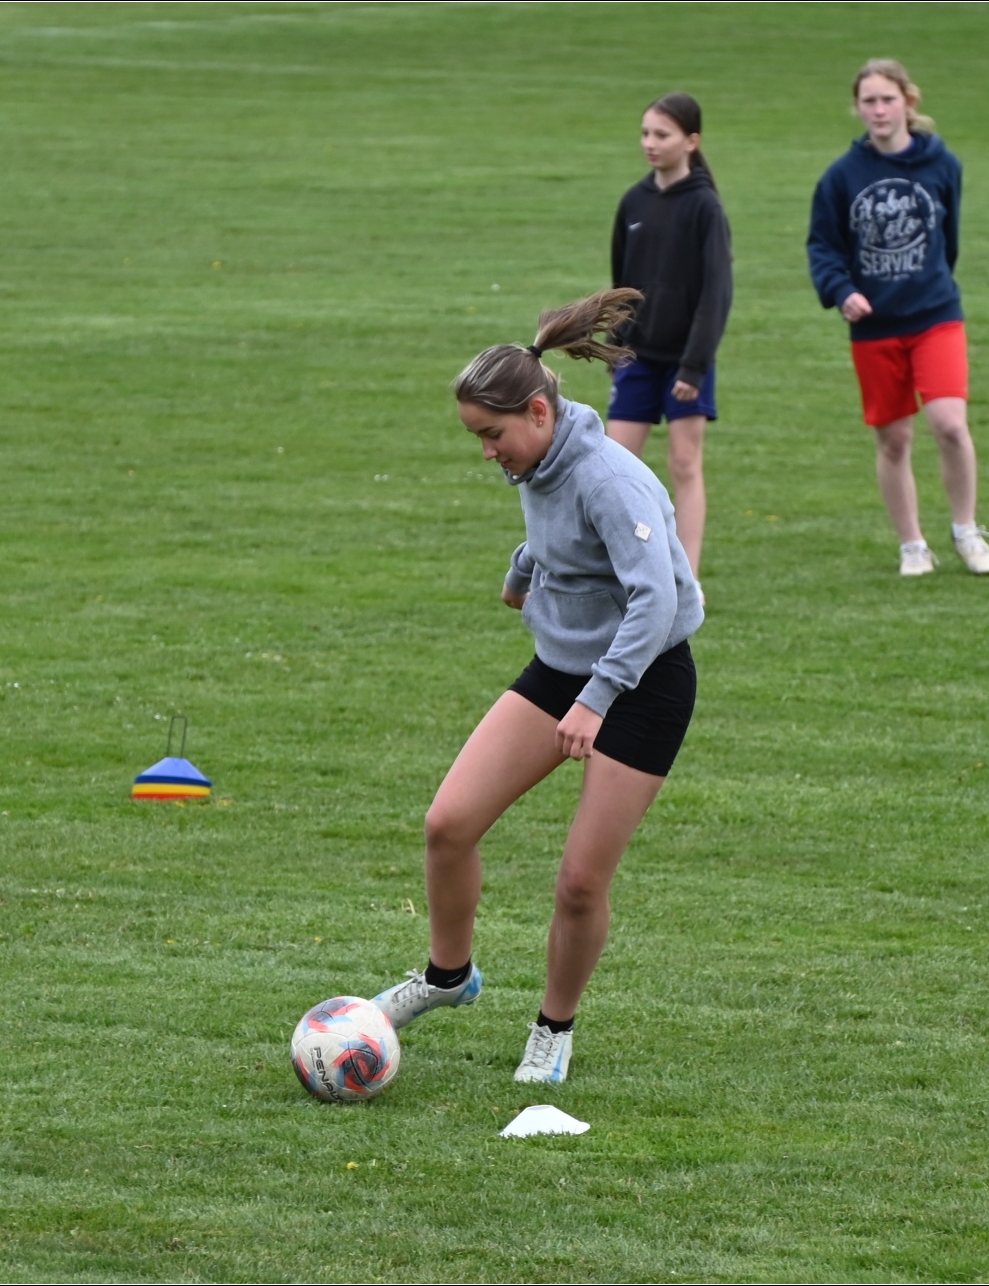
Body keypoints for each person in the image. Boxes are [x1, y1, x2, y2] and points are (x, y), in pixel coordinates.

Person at [370, 289, 704, 1085]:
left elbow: (656, 599)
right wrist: (523, 571)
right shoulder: (539, 459)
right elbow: (554, 533)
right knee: (448, 823)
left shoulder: (608, 478)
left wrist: (598, 699)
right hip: (561, 669)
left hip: (644, 680)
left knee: (581, 882)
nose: (487, 453)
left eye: (492, 435)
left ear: (539, 412)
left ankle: (554, 1029)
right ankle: (448, 975)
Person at [807, 59, 989, 577]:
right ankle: (912, 545)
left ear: (908, 102)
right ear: (857, 108)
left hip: (936, 316)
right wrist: (843, 291)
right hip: (874, 327)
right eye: (868, 101)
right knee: (894, 440)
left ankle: (966, 530)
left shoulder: (942, 164)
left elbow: (948, 242)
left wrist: (929, 284)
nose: (879, 110)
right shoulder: (841, 177)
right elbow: (823, 247)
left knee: (950, 424)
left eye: (887, 99)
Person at [605, 93, 732, 596]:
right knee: (614, 468)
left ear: (691, 141)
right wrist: (614, 348)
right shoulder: (633, 202)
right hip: (636, 358)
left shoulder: (704, 207)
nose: (650, 143)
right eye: (645, 133)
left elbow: (715, 292)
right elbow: (620, 286)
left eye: (662, 134)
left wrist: (694, 366)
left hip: (685, 364)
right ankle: (618, 573)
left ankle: (687, 581)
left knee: (684, 464)